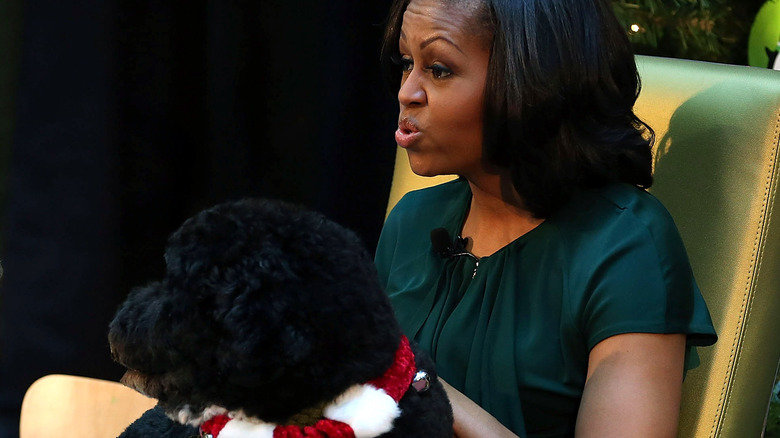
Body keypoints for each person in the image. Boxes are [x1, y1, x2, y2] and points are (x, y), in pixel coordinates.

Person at [374, 0, 718, 437]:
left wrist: (423, 387)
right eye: (407, 63)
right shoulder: (412, 221)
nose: (407, 91)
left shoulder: (626, 245)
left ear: (531, 81)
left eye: (439, 69)